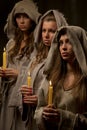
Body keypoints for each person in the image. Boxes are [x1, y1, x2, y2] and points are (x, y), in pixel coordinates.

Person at [20, 10, 68, 130]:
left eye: (52, 31)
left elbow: (67, 95)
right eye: (43, 30)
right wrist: (24, 95)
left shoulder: (64, 58)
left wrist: (41, 101)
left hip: (49, 120)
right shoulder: (37, 57)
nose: (46, 35)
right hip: (32, 118)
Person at [34, 26, 87, 130]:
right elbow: (38, 109)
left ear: (79, 45)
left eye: (69, 42)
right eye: (61, 43)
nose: (63, 47)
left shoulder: (85, 81)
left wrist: (63, 117)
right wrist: (44, 113)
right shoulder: (51, 77)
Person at [0, 0, 41, 130]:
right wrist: (3, 74)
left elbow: (40, 72)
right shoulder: (11, 44)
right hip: (9, 96)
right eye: (18, 16)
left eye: (26, 16)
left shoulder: (38, 44)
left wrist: (19, 74)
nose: (22, 21)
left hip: (25, 96)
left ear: (33, 18)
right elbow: (7, 66)